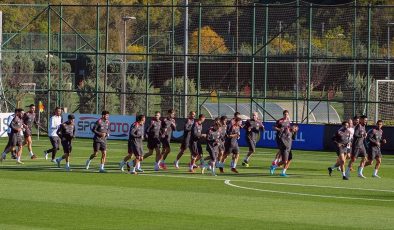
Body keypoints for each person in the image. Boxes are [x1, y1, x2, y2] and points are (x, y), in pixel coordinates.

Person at [270, 110, 298, 177]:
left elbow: (289, 131)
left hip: (288, 143)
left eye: (287, 114)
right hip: (282, 140)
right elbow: (273, 127)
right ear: (283, 115)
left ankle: (282, 172)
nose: (286, 115)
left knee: (289, 159)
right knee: (285, 160)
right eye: (285, 114)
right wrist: (279, 129)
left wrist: (293, 131)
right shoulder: (280, 121)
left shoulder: (288, 122)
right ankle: (274, 166)